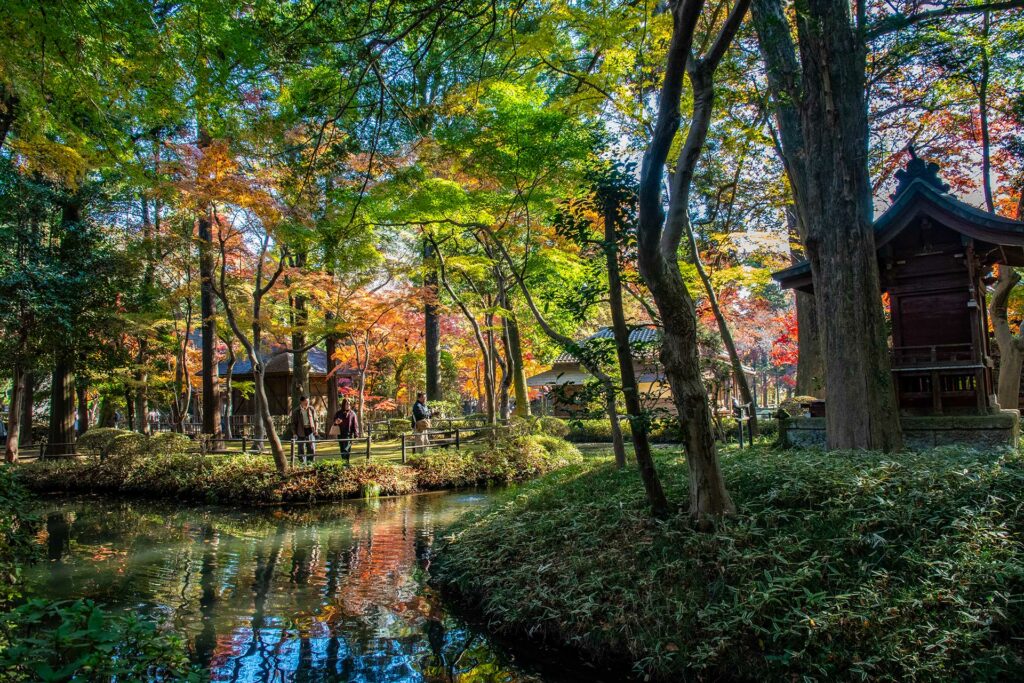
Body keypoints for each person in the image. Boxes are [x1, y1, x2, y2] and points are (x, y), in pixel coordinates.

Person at [291, 396, 318, 464]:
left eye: (308, 402)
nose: (307, 403)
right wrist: (294, 433)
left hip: (310, 430)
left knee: (311, 447)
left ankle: (310, 462)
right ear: (301, 402)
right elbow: (293, 424)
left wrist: (316, 429)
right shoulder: (296, 411)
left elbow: (315, 420)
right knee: (301, 448)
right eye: (306, 402)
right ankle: (302, 463)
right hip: (300, 431)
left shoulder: (311, 409)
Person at [332, 398, 360, 465]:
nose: (348, 405)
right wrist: (336, 422)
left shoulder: (352, 413)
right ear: (343, 404)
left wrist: (356, 434)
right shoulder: (338, 413)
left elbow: (355, 425)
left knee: (346, 449)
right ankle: (344, 463)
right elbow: (334, 422)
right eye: (347, 404)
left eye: (349, 404)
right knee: (342, 449)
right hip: (340, 434)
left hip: (348, 434)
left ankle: (346, 463)